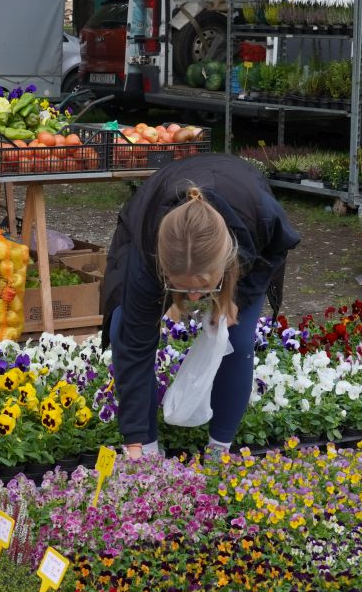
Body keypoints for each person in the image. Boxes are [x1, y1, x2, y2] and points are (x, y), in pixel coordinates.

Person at [101, 154, 301, 462]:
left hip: (242, 210)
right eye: (183, 287)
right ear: (163, 271)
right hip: (151, 216)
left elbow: (275, 249)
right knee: (124, 326)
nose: (194, 299)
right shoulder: (147, 250)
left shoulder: (258, 218)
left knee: (237, 339)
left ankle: (219, 453)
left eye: (203, 287)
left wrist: (237, 299)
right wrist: (136, 444)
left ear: (226, 263)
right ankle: (150, 451)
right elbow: (134, 346)